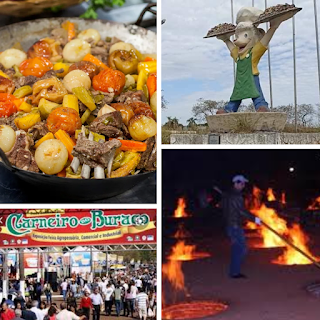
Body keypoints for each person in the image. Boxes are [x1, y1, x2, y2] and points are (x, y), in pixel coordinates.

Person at [222, 175, 261, 278]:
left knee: (236, 248)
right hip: (235, 227)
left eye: (244, 183)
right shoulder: (236, 196)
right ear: (236, 183)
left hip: (230, 225)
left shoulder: (228, 194)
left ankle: (234, 272)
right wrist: (255, 219)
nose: (243, 185)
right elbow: (242, 211)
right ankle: (234, 272)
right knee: (242, 249)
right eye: (242, 183)